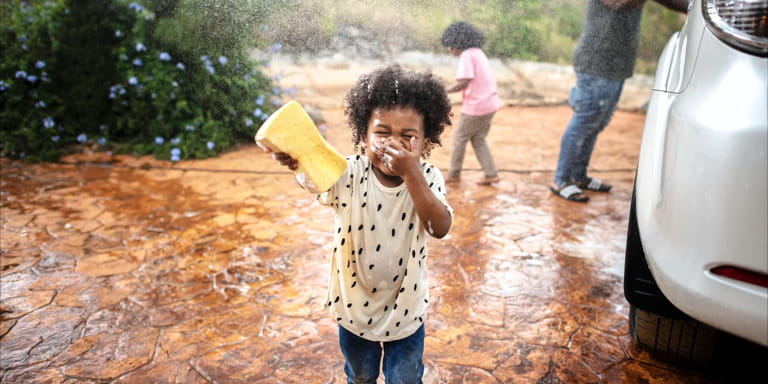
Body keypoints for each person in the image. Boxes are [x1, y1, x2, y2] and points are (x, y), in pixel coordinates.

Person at [263, 64, 454, 383]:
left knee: (405, 380)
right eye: (382, 132)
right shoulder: (349, 173)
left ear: (426, 143)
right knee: (361, 377)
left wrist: (411, 174)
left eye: (408, 136)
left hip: (406, 312)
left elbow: (440, 227)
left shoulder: (427, 177)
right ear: (362, 136)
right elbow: (314, 180)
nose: (393, 143)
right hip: (353, 308)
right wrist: (298, 161)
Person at [550, 0, 689, 202]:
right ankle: (561, 179)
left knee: (597, 124)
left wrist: (694, 6)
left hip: (617, 65)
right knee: (584, 123)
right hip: (596, 62)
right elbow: (619, 3)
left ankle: (579, 176)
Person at [441, 21, 504, 186]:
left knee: (459, 137)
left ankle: (454, 174)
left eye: (450, 46)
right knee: (478, 138)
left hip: (477, 106)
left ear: (457, 43)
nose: (449, 50)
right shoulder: (477, 52)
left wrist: (444, 90)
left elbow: (464, 81)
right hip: (490, 103)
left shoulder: (467, 55)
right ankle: (491, 174)